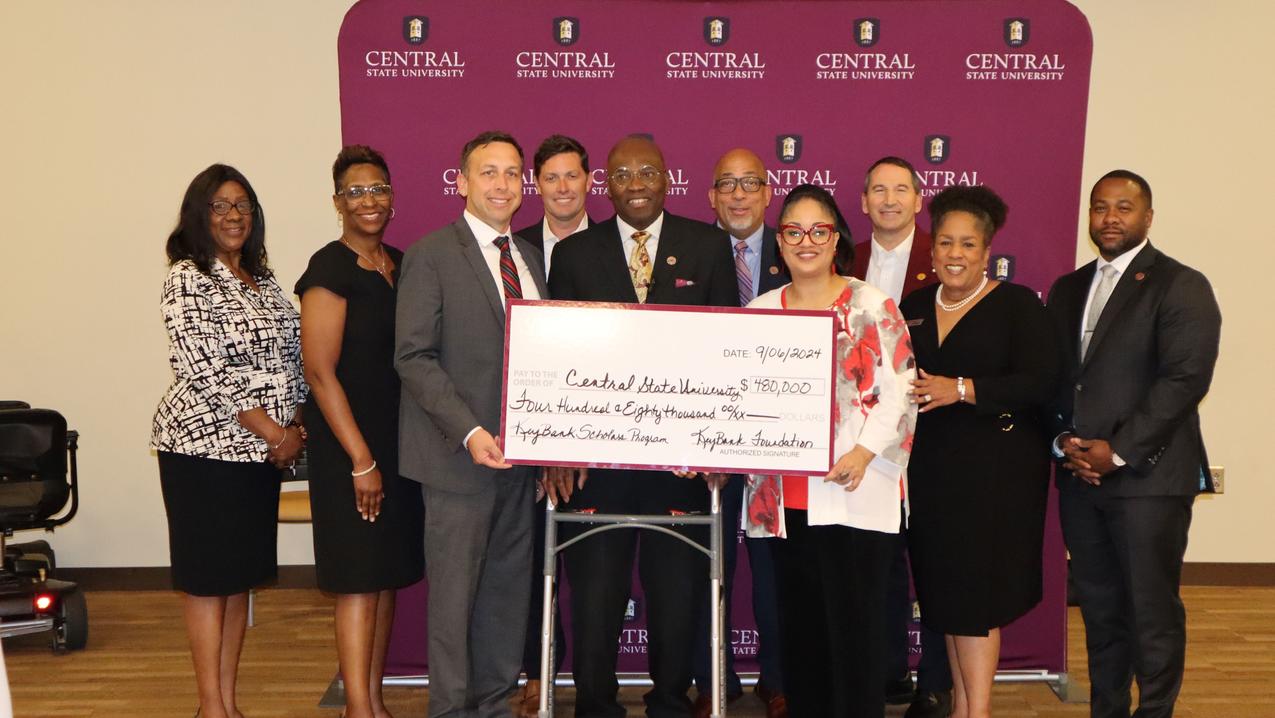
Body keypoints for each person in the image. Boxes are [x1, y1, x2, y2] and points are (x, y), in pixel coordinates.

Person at [544, 135, 738, 718]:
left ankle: (672, 702)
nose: (634, 183)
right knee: (597, 595)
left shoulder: (707, 246)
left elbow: (727, 348)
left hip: (681, 461)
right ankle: (596, 704)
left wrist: (720, 445)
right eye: (622, 173)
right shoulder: (576, 254)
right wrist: (556, 448)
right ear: (605, 183)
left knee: (677, 595)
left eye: (646, 172)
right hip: (596, 466)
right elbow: (554, 360)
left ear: (666, 178)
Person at [1046, 170, 1220, 718]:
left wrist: (1116, 451)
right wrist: (1065, 441)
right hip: (1080, 479)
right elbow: (1057, 377)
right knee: (1100, 610)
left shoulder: (1180, 284)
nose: (1110, 218)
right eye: (1100, 207)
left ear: (1148, 216)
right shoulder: (1069, 287)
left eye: (1125, 207)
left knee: (1151, 613)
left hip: (1149, 481)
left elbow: (1185, 380)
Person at [743, 183, 916, 718]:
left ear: (836, 237)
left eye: (819, 230)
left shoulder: (870, 304)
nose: (807, 241)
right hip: (786, 501)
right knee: (804, 637)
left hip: (857, 492)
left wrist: (864, 453)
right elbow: (739, 397)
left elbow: (903, 390)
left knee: (857, 636)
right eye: (794, 231)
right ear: (780, 241)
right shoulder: (761, 310)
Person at [395, 131, 547, 718]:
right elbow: (412, 356)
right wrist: (471, 432)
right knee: (455, 601)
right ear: (461, 182)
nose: (503, 184)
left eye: (512, 173)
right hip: (460, 460)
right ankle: (450, 711)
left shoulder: (528, 258)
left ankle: (491, 704)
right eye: (489, 172)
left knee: (505, 597)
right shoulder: (432, 254)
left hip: (519, 461)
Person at [152, 164, 306, 718]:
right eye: (219, 205)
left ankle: (228, 703)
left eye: (242, 205)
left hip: (257, 459)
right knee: (207, 583)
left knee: (240, 581)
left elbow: (291, 359)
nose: (233, 215)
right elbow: (206, 369)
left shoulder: (261, 280)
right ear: (199, 214)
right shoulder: (186, 277)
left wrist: (295, 427)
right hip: (202, 453)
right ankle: (210, 707)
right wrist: (274, 433)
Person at [899, 185, 1059, 718]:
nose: (955, 254)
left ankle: (979, 711)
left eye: (968, 244)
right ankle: (966, 706)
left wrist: (963, 388)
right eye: (945, 243)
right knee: (947, 600)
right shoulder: (914, 306)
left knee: (975, 601)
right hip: (929, 477)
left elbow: (1041, 381)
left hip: (996, 477)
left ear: (987, 252)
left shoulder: (1017, 306)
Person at [296, 145, 425, 718]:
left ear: (392, 197)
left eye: (378, 189)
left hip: (400, 448)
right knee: (356, 579)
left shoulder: (401, 263)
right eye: (355, 192)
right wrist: (360, 460)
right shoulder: (328, 269)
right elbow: (320, 375)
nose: (369, 200)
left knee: (385, 576)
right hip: (352, 450)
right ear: (337, 203)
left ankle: (372, 702)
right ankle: (357, 709)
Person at [852, 156, 951, 718]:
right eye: (878, 190)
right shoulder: (845, 259)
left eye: (901, 190)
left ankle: (934, 682)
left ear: (919, 199)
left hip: (935, 438)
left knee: (934, 562)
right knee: (877, 564)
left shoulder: (944, 256)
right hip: (867, 445)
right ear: (863, 202)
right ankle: (886, 672)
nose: (889, 200)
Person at [691, 147, 788, 718]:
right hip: (711, 439)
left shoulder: (795, 247)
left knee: (777, 571)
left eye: (750, 182)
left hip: (780, 439)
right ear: (710, 195)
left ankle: (780, 680)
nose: (738, 194)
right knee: (712, 563)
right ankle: (714, 680)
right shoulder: (696, 250)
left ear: (767, 191)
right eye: (726, 183)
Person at [511, 134, 594, 718]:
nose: (563, 188)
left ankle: (592, 676)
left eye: (573, 176)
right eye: (552, 178)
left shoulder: (619, 248)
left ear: (590, 181)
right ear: (535, 186)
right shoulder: (512, 253)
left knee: (592, 569)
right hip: (527, 430)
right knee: (532, 562)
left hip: (601, 431)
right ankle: (540, 669)